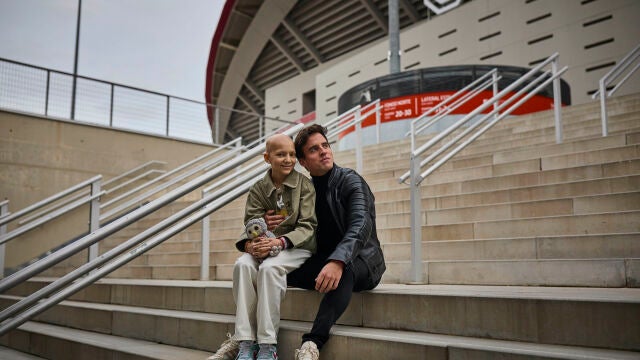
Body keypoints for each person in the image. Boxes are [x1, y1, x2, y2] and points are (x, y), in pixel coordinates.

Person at [265, 124, 386, 360]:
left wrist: (338, 260)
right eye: (314, 149)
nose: (324, 151)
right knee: (271, 269)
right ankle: (256, 340)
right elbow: (294, 229)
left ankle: (312, 343)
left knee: (345, 270)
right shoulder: (305, 191)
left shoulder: (350, 181)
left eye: (325, 145)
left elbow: (360, 225)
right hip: (323, 261)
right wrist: (270, 226)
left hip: (362, 261)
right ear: (303, 162)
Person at [208, 134, 317, 360]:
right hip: (264, 246)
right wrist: (250, 245)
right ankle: (246, 342)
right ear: (267, 158)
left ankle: (268, 345)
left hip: (296, 247)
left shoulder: (304, 186)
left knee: (269, 269)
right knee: (242, 265)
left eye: (292, 154)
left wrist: (279, 241)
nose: (288, 159)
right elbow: (251, 222)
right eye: (280, 154)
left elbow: (308, 226)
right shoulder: (258, 188)